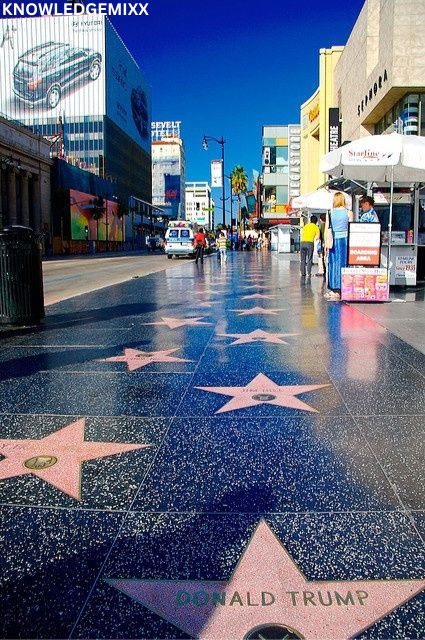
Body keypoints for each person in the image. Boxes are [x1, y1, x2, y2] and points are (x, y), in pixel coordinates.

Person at [324, 192, 354, 300]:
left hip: (333, 240)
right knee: (344, 263)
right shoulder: (349, 212)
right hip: (345, 240)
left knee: (333, 264)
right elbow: (351, 229)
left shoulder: (330, 212)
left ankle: (334, 289)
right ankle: (344, 288)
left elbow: (327, 228)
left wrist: (325, 243)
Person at [316, 213, 326, 277]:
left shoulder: (322, 225)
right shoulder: (328, 225)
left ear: (320, 219)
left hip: (323, 244)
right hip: (327, 243)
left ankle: (322, 271)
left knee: (321, 258)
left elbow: (320, 236)